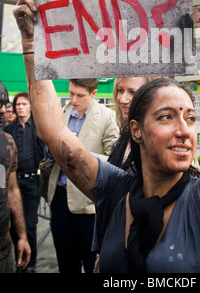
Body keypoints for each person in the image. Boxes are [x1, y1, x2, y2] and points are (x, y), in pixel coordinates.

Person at [13, 0, 200, 273]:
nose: (184, 129)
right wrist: (29, 43)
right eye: (166, 116)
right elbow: (54, 132)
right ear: (135, 129)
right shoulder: (115, 190)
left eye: (190, 117)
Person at [47, 78, 119, 273]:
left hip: (89, 204)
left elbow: (115, 159)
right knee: (65, 262)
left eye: (80, 95)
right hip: (60, 198)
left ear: (94, 93)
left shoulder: (107, 117)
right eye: (71, 93)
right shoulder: (61, 113)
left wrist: (83, 155)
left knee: (91, 264)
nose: (74, 99)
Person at [4, 92, 44, 273]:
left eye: (24, 104)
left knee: (29, 224)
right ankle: (18, 260)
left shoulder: (38, 128)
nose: (20, 107)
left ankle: (31, 263)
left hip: (32, 182)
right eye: (17, 104)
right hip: (12, 181)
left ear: (30, 106)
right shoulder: (8, 131)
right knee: (12, 222)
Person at [0, 128, 31, 273]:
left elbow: (8, 189)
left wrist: (22, 236)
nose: (3, 109)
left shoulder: (5, 142)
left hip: (4, 252)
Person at [108, 77, 152, 170]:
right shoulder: (126, 134)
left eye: (132, 92)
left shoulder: (156, 141)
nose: (123, 100)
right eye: (120, 90)